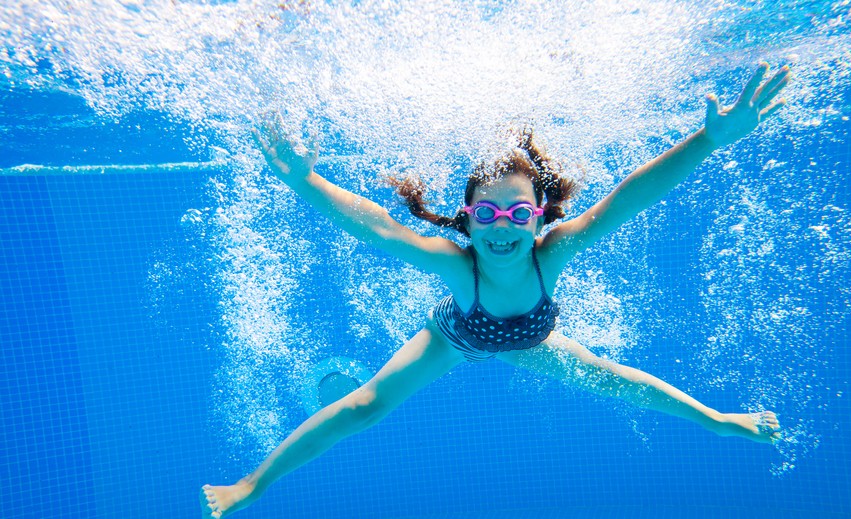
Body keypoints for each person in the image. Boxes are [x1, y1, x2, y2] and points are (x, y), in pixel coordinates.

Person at [202, 62, 791, 518]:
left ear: (540, 216)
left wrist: (708, 141)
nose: (502, 228)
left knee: (619, 381)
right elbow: (379, 228)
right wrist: (305, 181)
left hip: (533, 341)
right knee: (365, 405)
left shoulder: (554, 253)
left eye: (517, 213)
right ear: (466, 218)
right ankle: (250, 485)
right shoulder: (460, 268)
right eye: (486, 214)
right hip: (457, 336)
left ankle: (717, 419)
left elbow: (629, 199)